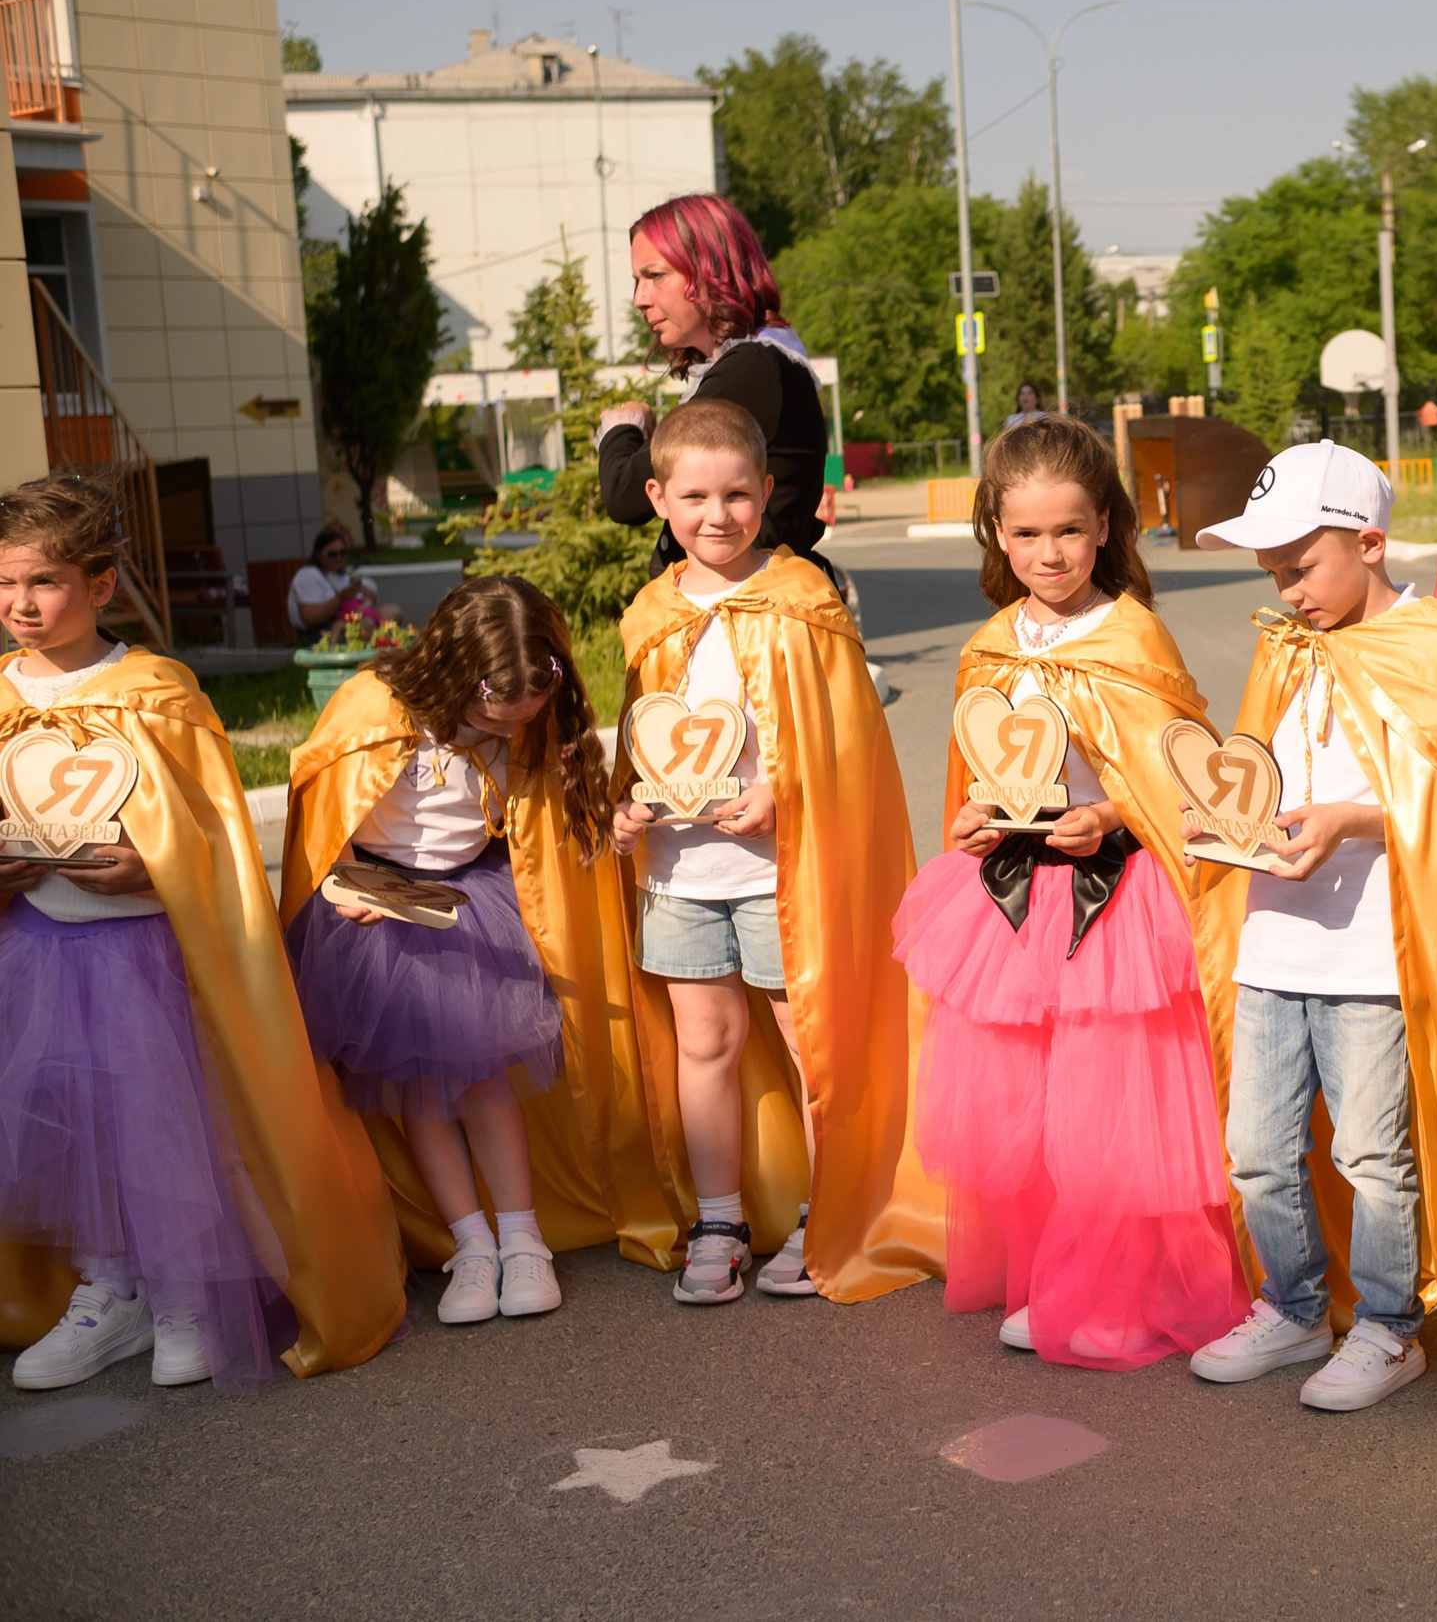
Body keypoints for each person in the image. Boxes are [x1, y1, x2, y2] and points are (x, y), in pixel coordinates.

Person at [1185, 441, 1437, 1415]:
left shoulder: (1429, 644)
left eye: (1300, 569)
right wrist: (1225, 823)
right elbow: (1261, 772)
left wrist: (1355, 822)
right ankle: (1290, 1307)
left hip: (1372, 957)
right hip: (1275, 943)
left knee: (1370, 1155)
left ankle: (1387, 1327)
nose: (1285, 593)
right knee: (1259, 1151)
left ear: (1368, 541)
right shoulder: (1290, 644)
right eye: (1271, 575)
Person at [0, 474, 405, 1391]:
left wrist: (153, 866)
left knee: (161, 1125)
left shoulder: (156, 691)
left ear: (100, 585)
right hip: (35, 954)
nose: (21, 605)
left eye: (45, 583)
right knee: (79, 1127)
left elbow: (212, 829)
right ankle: (110, 1291)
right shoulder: (2, 698)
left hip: (142, 954)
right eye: (6, 584)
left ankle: (184, 1293)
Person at [893, 414, 1246, 1370]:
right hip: (1012, 901)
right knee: (1031, 1104)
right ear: (996, 534)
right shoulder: (990, 645)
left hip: (1115, 902)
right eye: (1027, 533)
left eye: (1070, 531)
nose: (1049, 553)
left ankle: (1124, 1286)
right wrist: (969, 825)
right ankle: (1053, 1273)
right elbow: (976, 774)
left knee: (1112, 1109)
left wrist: (1117, 817)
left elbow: (1180, 783)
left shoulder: (1132, 637)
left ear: (1105, 528)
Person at [281, 576, 679, 1325]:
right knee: (421, 1094)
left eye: (521, 716)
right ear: (455, 673)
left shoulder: (529, 714)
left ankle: (523, 1236)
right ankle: (470, 1242)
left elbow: (534, 826)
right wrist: (350, 889)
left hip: (473, 904)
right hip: (378, 913)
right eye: (491, 715)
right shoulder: (374, 709)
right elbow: (323, 826)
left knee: (489, 1082)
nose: (507, 729)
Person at [611, 399, 928, 1309]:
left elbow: (847, 740)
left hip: (781, 874)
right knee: (703, 1043)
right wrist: (628, 807)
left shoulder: (805, 597)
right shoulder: (649, 613)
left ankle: (824, 1214)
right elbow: (643, 739)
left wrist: (785, 793)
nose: (719, 516)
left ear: (769, 492)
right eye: (697, 496)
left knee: (809, 1042)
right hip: (679, 874)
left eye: (738, 494)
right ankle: (718, 1217)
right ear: (659, 496)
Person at [597, 193, 831, 579]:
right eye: (637, 281)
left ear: (711, 271)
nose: (640, 299)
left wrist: (623, 428)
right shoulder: (754, 364)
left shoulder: (753, 368)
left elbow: (626, 495)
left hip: (753, 624)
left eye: (656, 276)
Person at [288, 525, 397, 643]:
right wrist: (339, 599)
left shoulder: (343, 575)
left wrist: (369, 597)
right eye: (332, 554)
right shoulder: (309, 575)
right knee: (367, 623)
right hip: (321, 631)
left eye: (342, 553)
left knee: (393, 611)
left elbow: (362, 603)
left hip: (348, 618)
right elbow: (308, 619)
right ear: (318, 554)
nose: (338, 558)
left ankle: (383, 647)